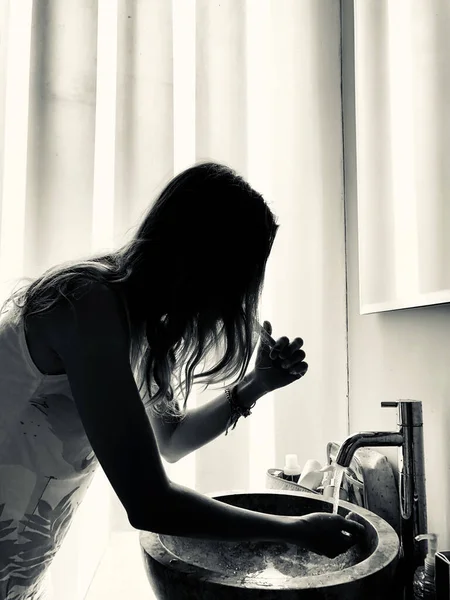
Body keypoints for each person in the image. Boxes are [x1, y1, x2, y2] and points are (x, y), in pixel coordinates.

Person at [0, 162, 364, 599]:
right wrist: (295, 531)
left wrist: (257, 383)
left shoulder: (140, 331)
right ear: (205, 262)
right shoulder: (88, 303)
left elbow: (171, 440)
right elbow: (149, 502)